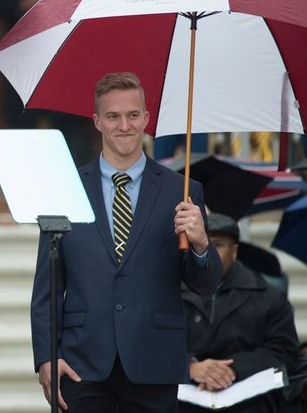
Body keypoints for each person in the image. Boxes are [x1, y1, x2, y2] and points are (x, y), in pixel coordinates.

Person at [31, 72, 222, 412]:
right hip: (81, 362)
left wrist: (201, 245)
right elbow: (48, 285)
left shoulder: (182, 191)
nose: (124, 125)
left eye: (133, 115)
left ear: (146, 119)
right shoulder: (65, 187)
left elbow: (204, 285)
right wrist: (46, 356)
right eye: (113, 116)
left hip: (154, 359)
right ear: (97, 121)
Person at [180, 213, 299, 413]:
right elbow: (148, 345)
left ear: (235, 251)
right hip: (183, 398)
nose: (207, 251)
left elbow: (284, 352)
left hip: (248, 400)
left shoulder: (268, 297)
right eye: (201, 244)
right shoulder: (168, 293)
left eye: (217, 245)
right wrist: (189, 366)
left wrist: (232, 369)